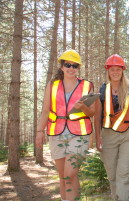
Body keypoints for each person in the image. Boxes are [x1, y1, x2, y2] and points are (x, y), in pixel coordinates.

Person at [36, 49, 95, 201]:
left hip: (79, 135)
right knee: (63, 177)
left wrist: (83, 107)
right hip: (56, 133)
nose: (71, 68)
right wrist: (39, 131)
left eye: (74, 66)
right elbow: (45, 110)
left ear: (78, 68)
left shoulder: (87, 86)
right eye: (67, 65)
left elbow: (91, 113)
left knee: (70, 174)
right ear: (61, 67)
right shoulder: (53, 85)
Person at [94, 54, 129, 201]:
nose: (115, 72)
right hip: (108, 135)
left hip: (127, 135)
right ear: (108, 71)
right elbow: (97, 115)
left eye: (118, 69)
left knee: (123, 174)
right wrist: (97, 137)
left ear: (123, 70)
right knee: (112, 175)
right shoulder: (103, 90)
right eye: (112, 69)